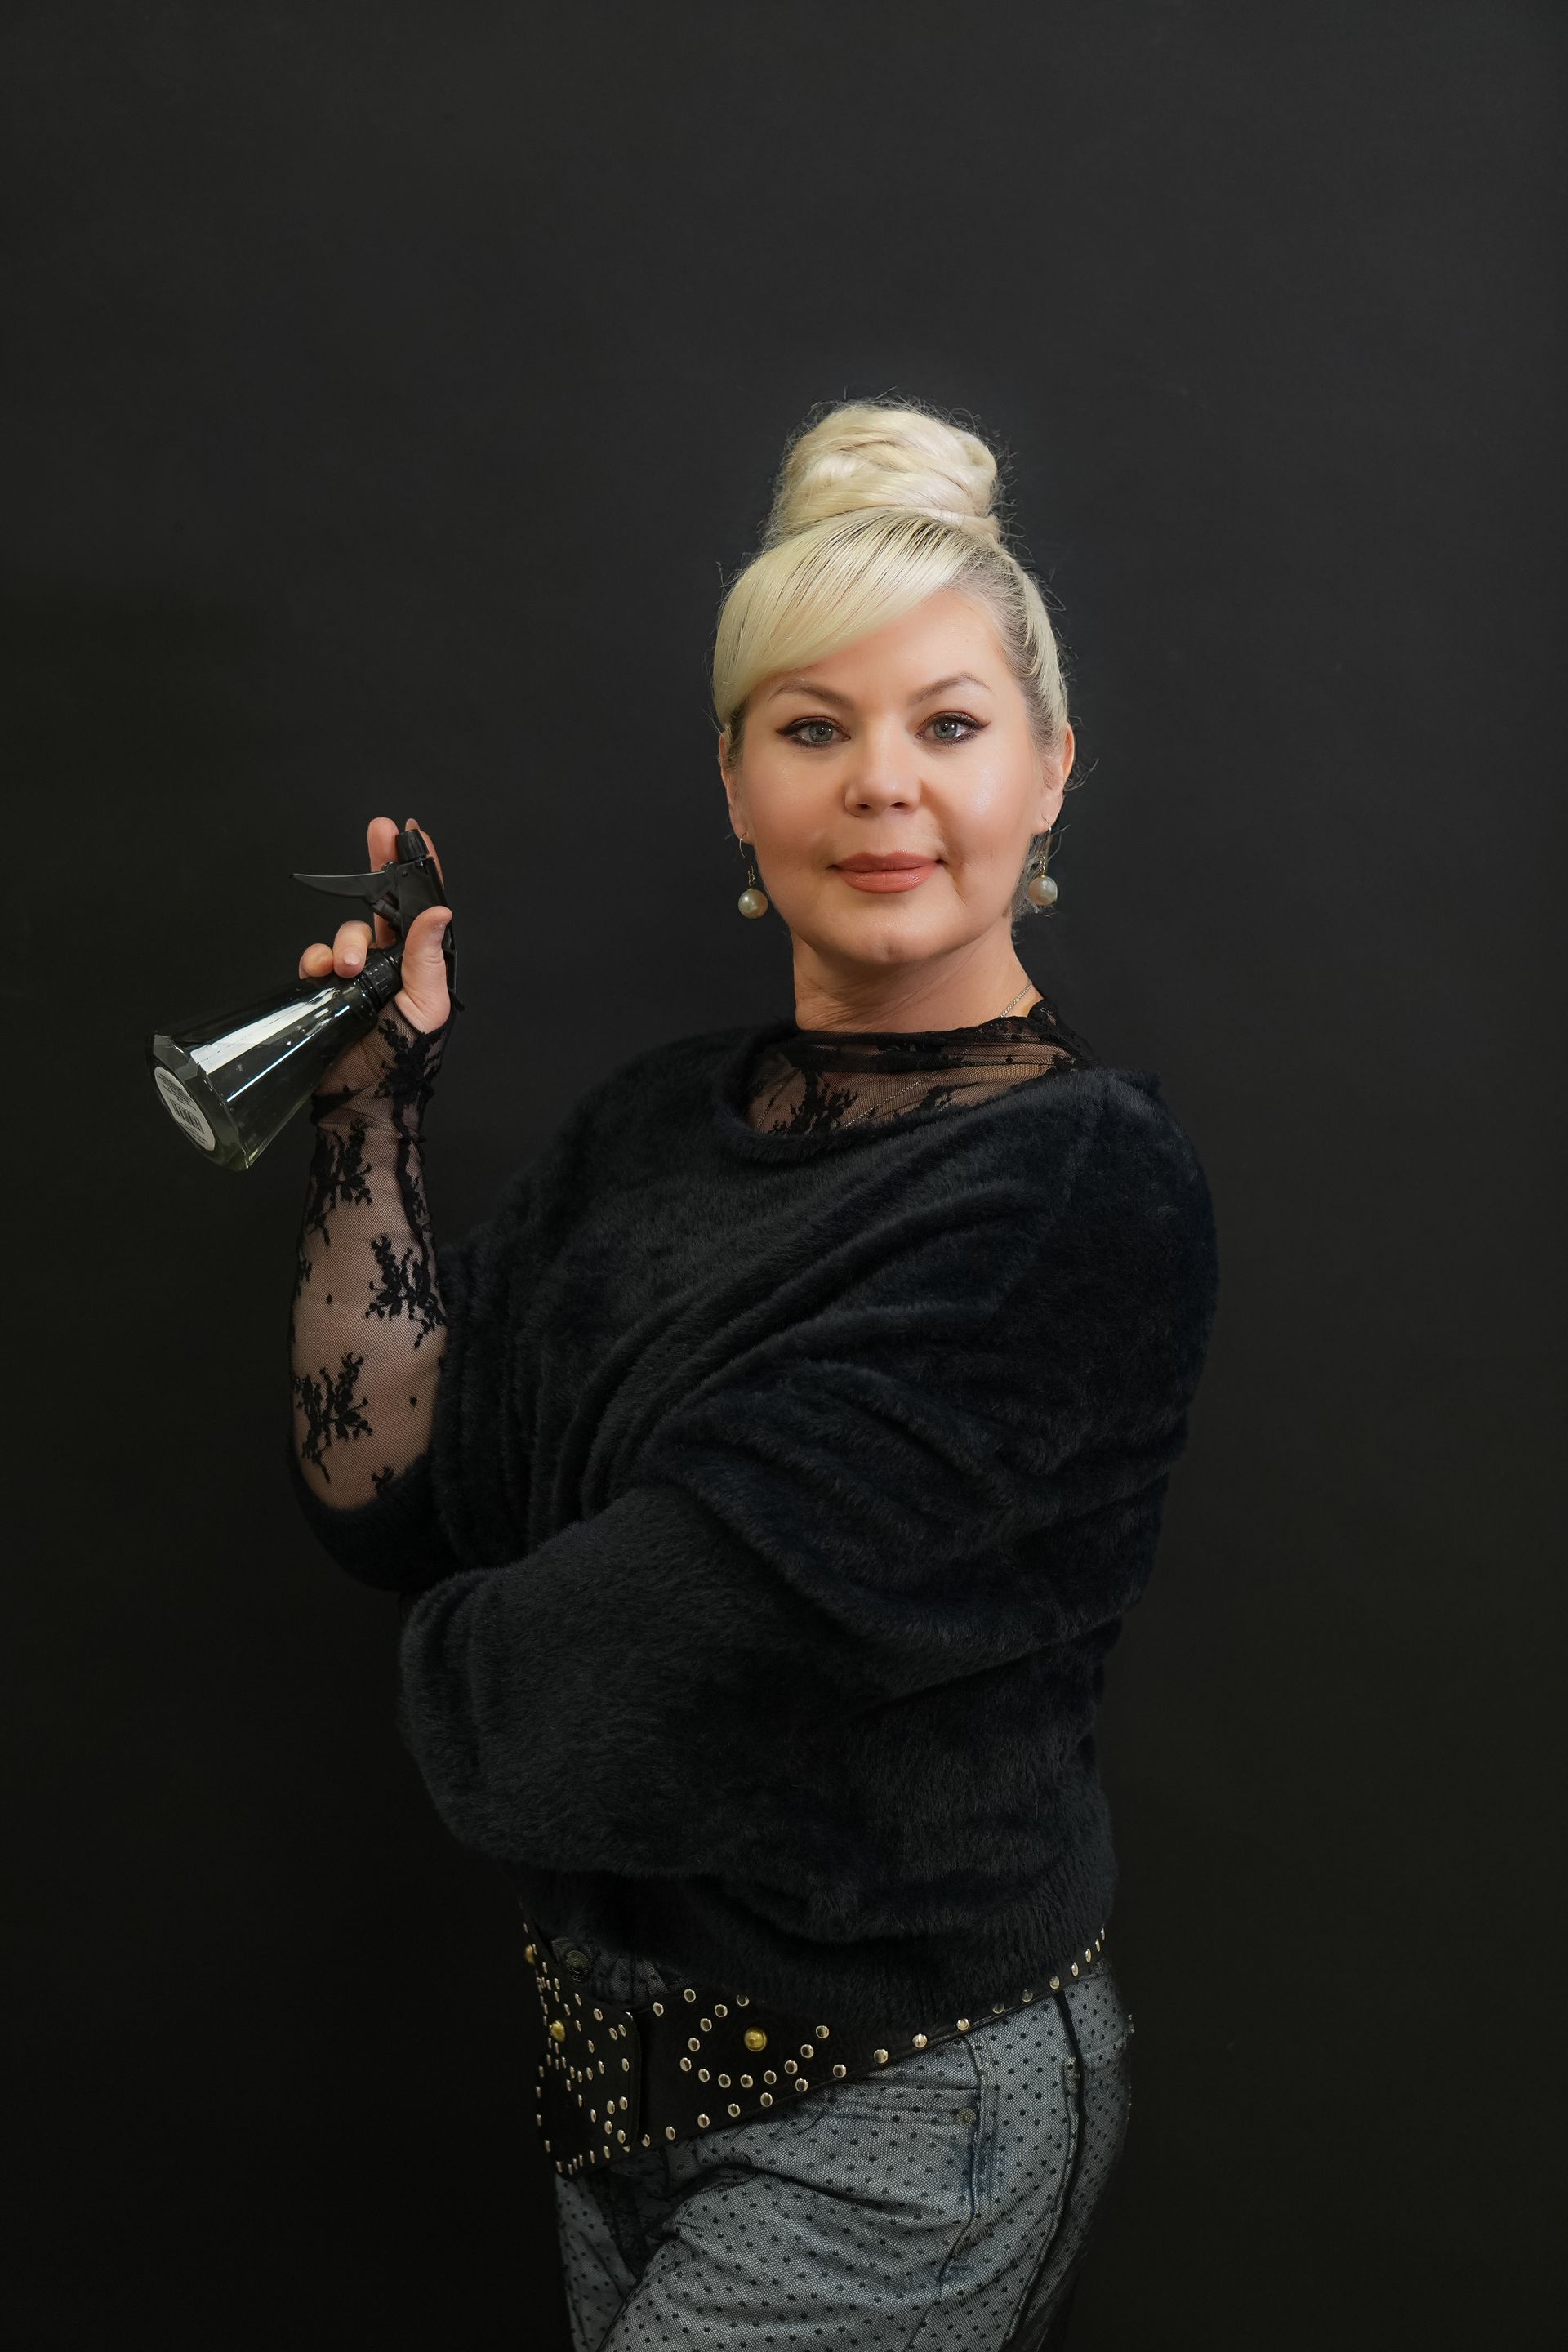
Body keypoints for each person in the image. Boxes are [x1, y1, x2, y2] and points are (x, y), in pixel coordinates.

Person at [285, 398, 1220, 2349]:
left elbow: (634, 1674)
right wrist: (370, 1118)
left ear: (1052, 772)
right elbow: (384, 1496)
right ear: (735, 782)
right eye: (813, 727)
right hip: (612, 2091)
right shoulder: (645, 1131)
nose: (884, 785)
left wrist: (491, 1631)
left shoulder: (1080, 1189)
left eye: (950, 727)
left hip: (904, 2114)